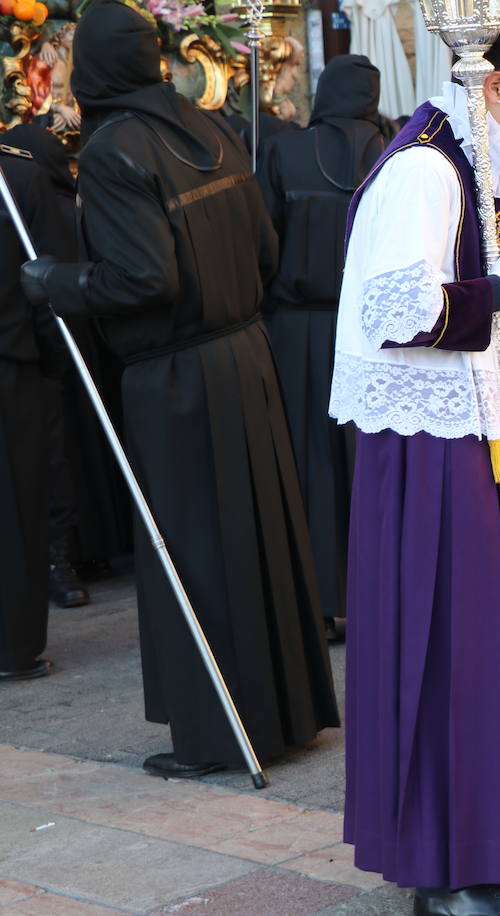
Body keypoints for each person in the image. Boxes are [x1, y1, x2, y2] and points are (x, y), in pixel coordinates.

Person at [20, 0, 339, 774]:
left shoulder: (112, 147)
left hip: (179, 376)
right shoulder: (211, 125)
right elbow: (264, 246)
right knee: (258, 540)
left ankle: (222, 734)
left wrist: (58, 279)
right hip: (246, 355)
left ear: (93, 66)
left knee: (193, 554)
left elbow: (143, 278)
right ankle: (286, 713)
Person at [331, 12, 500, 915]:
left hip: (457, 432)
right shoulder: (425, 169)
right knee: (453, 638)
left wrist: (494, 285)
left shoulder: (456, 163)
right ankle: (450, 872)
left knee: (486, 633)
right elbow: (400, 310)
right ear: (489, 88)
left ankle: (493, 832)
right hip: (427, 451)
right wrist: (497, 292)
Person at [257, 54, 389, 637]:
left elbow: (263, 245)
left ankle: (319, 602)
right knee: (375, 461)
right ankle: (380, 595)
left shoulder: (284, 152)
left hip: (303, 330)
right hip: (377, 329)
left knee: (310, 462)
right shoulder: (399, 154)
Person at [4, 123, 126, 609]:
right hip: (38, 353)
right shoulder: (28, 180)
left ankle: (57, 560)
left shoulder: (22, 181)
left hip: (37, 352)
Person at [1, 142, 65, 681]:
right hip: (12, 365)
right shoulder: (18, 174)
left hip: (12, 362)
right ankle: (13, 644)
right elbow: (46, 284)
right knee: (16, 510)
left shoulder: (15, 175)